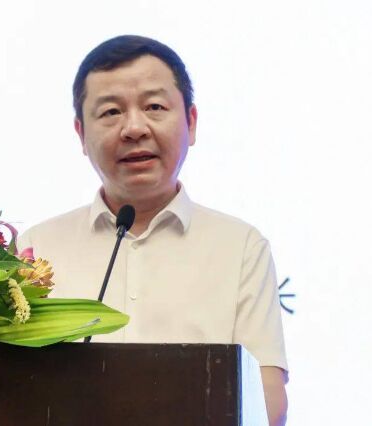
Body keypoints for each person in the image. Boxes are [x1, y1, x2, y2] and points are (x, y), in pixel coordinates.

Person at [18, 35, 288, 425]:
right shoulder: (38, 248)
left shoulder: (241, 247)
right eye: (111, 112)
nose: (134, 128)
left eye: (154, 107)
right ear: (81, 134)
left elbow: (267, 402)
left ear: (191, 122)